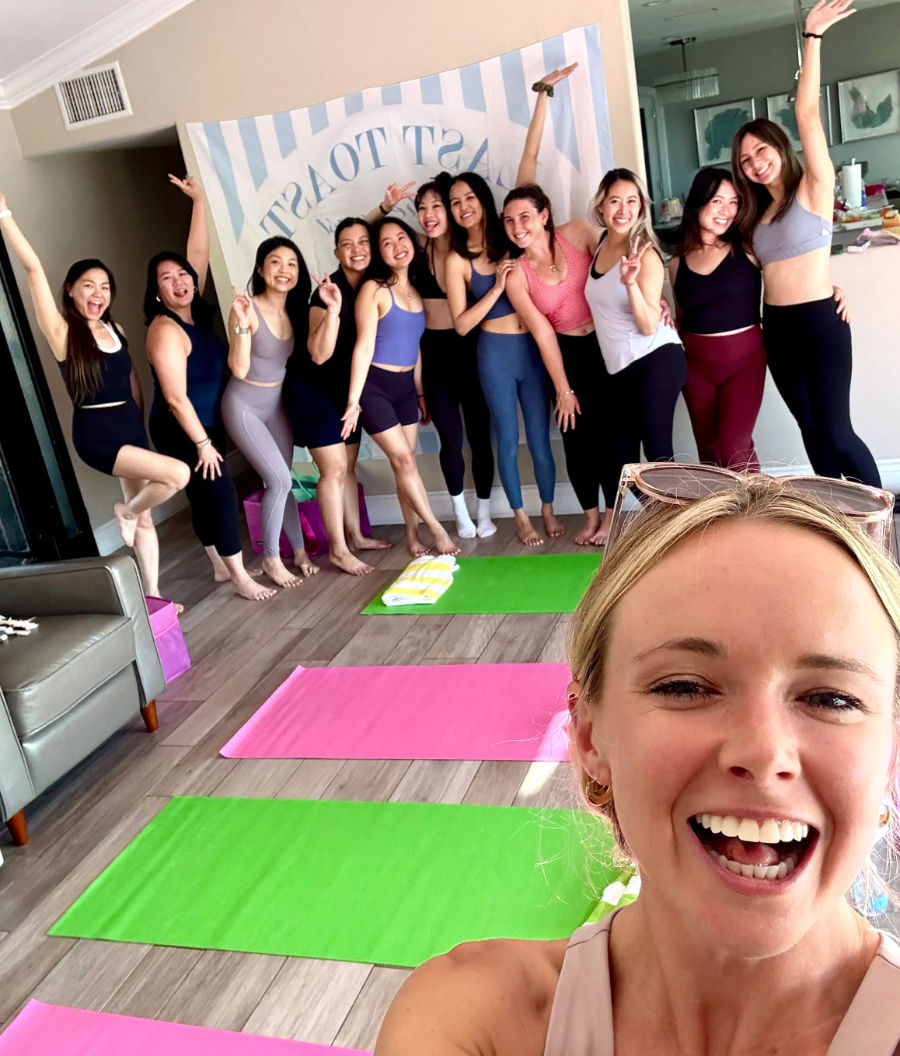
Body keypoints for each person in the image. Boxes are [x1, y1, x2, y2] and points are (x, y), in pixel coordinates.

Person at [374, 464, 900, 1054]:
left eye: (832, 698)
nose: (763, 753)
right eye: (684, 687)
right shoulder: (474, 1022)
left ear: (890, 760)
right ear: (590, 737)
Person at [0, 179, 191, 599]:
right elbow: (33, 269)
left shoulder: (115, 329)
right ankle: (124, 511)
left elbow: (131, 382)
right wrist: (4, 214)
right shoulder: (62, 332)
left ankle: (154, 595)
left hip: (129, 429)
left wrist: (140, 428)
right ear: (71, 289)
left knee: (145, 520)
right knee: (177, 475)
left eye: (105, 287)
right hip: (98, 435)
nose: (98, 293)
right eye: (89, 285)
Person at [732, 0, 879, 487]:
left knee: (838, 431)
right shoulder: (754, 218)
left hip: (820, 323)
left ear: (779, 146)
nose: (756, 163)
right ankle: (840, 521)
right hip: (777, 329)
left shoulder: (814, 188)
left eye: (762, 150)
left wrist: (811, 38)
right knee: (812, 432)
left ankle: (881, 523)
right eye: (746, 160)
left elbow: (807, 111)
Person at [145, 181, 276, 602]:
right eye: (167, 278)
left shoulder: (192, 315)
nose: (179, 280)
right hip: (181, 426)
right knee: (217, 494)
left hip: (204, 422)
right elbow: (174, 397)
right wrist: (201, 443)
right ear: (157, 292)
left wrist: (200, 200)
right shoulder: (165, 330)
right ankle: (240, 576)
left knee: (203, 496)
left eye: (182, 274)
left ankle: (221, 566)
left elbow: (196, 254)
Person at [445, 172, 564, 547]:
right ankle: (521, 517)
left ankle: (547, 509)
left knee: (542, 441)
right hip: (493, 354)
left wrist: (542, 109)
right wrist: (496, 287)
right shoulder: (457, 259)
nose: (463, 208)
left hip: (531, 349)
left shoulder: (513, 236)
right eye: (455, 203)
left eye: (469, 199)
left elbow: (529, 180)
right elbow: (462, 325)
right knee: (509, 441)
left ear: (483, 200)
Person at [340, 217, 461, 558]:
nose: (397, 246)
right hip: (374, 387)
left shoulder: (416, 290)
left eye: (401, 238)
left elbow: (414, 346)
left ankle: (412, 536)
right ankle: (436, 529)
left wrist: (420, 392)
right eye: (387, 243)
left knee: (402, 465)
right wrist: (353, 401)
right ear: (380, 253)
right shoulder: (374, 289)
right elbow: (363, 346)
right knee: (405, 461)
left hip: (406, 387)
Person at [222, 237, 319, 588]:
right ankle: (270, 560)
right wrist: (243, 326)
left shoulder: (294, 310)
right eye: (275, 262)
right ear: (261, 269)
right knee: (277, 480)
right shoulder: (246, 308)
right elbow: (238, 367)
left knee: (284, 481)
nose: (284, 270)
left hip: (276, 405)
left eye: (292, 263)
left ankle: (299, 552)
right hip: (244, 405)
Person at [300, 217, 391, 576]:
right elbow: (318, 354)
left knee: (348, 468)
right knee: (334, 469)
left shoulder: (374, 284)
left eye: (362, 242)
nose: (356, 250)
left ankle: (355, 535)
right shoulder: (325, 291)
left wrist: (385, 206)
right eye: (347, 244)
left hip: (348, 392)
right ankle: (338, 549)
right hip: (314, 390)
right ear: (336, 251)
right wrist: (334, 311)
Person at [584, 169, 686, 472]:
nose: (624, 210)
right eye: (615, 201)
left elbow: (647, 326)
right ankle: (661, 518)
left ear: (641, 206)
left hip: (655, 359)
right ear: (601, 206)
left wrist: (630, 284)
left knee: (658, 454)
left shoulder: (646, 254)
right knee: (622, 462)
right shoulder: (601, 243)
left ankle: (677, 519)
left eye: (632, 201)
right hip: (621, 367)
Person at [668, 168, 767, 471]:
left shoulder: (749, 248)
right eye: (717, 201)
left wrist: (831, 290)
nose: (726, 211)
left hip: (745, 362)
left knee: (733, 448)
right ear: (698, 204)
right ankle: (722, 518)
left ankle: (756, 516)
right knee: (709, 453)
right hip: (696, 367)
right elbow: (680, 318)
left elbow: (790, 278)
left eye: (733, 202)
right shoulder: (675, 263)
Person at [415, 174, 496, 540]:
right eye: (422, 208)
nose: (430, 214)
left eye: (438, 206)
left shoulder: (468, 252)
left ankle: (484, 512)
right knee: (450, 438)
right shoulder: (416, 248)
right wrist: (384, 207)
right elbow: (370, 237)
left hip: (472, 350)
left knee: (480, 437)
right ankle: (459, 512)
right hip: (434, 355)